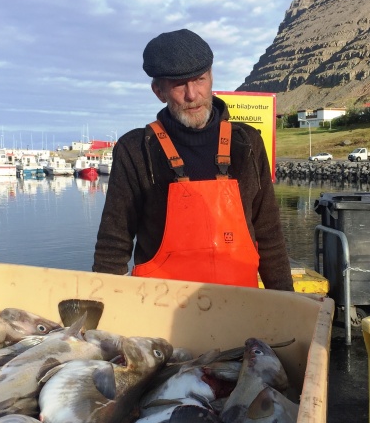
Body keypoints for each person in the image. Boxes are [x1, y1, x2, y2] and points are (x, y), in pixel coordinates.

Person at [92, 28, 293, 291]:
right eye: (178, 84)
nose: (192, 95)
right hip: (160, 312)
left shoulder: (247, 143)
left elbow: (269, 236)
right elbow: (113, 244)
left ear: (211, 77)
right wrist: (102, 307)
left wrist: (288, 304)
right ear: (158, 91)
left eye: (199, 79)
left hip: (242, 311)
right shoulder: (135, 149)